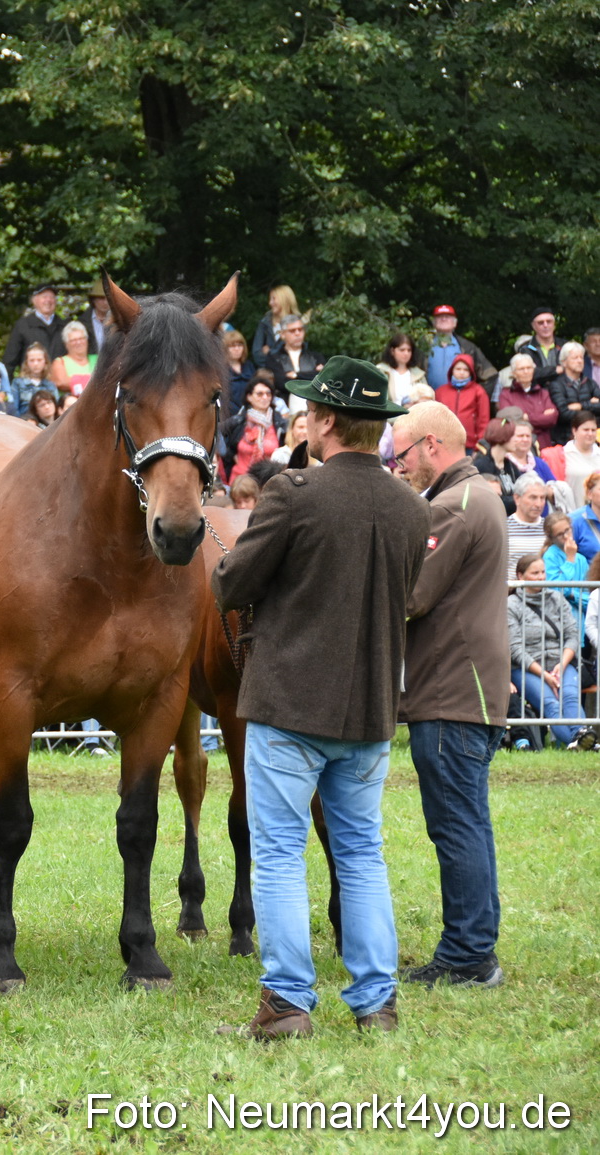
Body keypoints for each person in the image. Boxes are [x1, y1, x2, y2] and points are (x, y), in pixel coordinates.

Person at [210, 356, 427, 1039]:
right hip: (367, 710)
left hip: (289, 704)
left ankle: (287, 1003)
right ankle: (375, 1002)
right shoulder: (410, 505)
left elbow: (229, 584)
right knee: (362, 850)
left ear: (327, 422)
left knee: (278, 852)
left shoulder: (293, 492)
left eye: (311, 410)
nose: (303, 418)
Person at [389, 401, 511, 987]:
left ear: (431, 446)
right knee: (469, 822)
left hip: (452, 691)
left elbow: (410, 595)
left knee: (456, 825)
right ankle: (475, 950)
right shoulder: (479, 495)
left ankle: (466, 957)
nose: (401, 466)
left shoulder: (454, 504)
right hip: (468, 689)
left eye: (404, 454)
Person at [508, 554, 582, 748]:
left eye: (543, 572)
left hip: (560, 662)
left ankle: (579, 739)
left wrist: (561, 665)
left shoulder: (556, 598)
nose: (541, 577)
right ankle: (581, 741)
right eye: (535, 573)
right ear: (520, 576)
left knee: (571, 696)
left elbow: (572, 634)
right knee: (551, 703)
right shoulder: (511, 605)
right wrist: (545, 676)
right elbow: (514, 648)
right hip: (528, 667)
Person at [221, 377, 286, 481]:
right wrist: (229, 455)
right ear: (249, 397)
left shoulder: (280, 424)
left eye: (268, 394)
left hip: (268, 482)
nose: (265, 397)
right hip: (239, 482)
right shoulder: (239, 421)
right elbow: (216, 434)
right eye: (259, 394)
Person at [424, 303, 496, 391]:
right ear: (433, 322)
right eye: (440, 316)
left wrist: (475, 396)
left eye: (448, 316)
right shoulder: (423, 346)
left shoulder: (467, 347)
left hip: (460, 402)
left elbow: (490, 374)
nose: (444, 319)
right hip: (428, 401)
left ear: (455, 323)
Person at [497, 353, 559, 450]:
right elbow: (510, 421)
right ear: (513, 373)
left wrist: (526, 417)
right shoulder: (506, 394)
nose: (526, 371)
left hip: (543, 446)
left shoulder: (543, 393)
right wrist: (541, 417)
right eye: (521, 369)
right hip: (517, 448)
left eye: (529, 368)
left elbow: (552, 419)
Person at [541, 513, 593, 628]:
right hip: (558, 623)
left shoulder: (581, 559)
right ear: (552, 538)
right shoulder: (549, 556)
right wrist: (569, 560)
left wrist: (572, 595)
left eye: (567, 530)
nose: (566, 536)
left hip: (580, 623)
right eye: (560, 534)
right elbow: (556, 589)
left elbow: (589, 597)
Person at [262, 314, 324, 406]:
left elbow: (322, 380)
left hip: (314, 404)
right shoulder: (274, 358)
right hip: (286, 406)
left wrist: (296, 375)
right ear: (282, 334)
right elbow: (281, 383)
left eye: (300, 329)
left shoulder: (315, 357)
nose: (297, 333)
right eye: (292, 331)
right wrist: (311, 373)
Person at [2, 285, 65, 373]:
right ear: (34, 301)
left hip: (60, 384)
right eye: (44, 297)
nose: (48, 300)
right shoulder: (23, 325)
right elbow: (9, 361)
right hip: (31, 384)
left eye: (51, 297)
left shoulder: (65, 326)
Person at [434, 353, 490, 451]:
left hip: (470, 446)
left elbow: (483, 420)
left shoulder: (478, 391)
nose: (462, 372)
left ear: (471, 372)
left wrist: (480, 445)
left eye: (466, 369)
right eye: (458, 369)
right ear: (452, 370)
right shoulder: (440, 392)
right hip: (444, 445)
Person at [549, 341, 600, 443]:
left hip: (593, 438)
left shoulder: (590, 383)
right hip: (566, 438)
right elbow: (563, 414)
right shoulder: (556, 385)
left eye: (581, 357)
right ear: (564, 362)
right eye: (575, 358)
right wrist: (591, 405)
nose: (580, 361)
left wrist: (581, 406)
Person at [505, 478, 548, 580]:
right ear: (517, 499)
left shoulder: (549, 528)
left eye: (542, 498)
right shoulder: (504, 527)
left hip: (544, 593)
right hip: (511, 592)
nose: (538, 504)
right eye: (533, 498)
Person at [249, 284, 298, 365]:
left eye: (274, 299)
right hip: (269, 373)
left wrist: (269, 352)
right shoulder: (265, 322)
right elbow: (257, 355)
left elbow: (299, 354)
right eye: (270, 299)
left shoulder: (297, 323)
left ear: (284, 300)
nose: (270, 303)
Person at [47, 321, 98, 398]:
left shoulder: (98, 359)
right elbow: (61, 383)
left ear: (87, 340)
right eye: (73, 340)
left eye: (81, 338)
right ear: (66, 344)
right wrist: (94, 381)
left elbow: (109, 380)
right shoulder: (60, 362)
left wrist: (76, 381)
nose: (78, 342)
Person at [516, 307, 562, 389]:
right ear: (533, 326)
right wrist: (556, 370)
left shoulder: (565, 346)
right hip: (536, 394)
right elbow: (530, 373)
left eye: (549, 322)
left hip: (563, 394)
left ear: (554, 324)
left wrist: (542, 372)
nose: (545, 325)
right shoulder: (526, 349)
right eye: (540, 323)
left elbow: (573, 371)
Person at [376, 332, 426, 407]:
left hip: (413, 415)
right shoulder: (381, 372)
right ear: (392, 351)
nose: (406, 353)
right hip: (389, 417)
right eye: (402, 350)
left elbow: (427, 399)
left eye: (409, 350)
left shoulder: (419, 375)